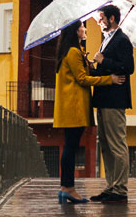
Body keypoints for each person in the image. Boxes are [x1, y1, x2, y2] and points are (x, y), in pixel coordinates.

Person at [52, 19, 125, 204]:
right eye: (82, 27)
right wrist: (110, 79)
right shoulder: (74, 52)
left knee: (69, 146)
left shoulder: (70, 51)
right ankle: (68, 188)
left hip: (69, 107)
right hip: (74, 107)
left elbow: (81, 74)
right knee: (70, 146)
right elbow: (83, 79)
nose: (85, 29)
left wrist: (89, 63)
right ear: (76, 31)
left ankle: (65, 187)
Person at [89, 4, 134, 203]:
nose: (99, 22)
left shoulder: (122, 40)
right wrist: (93, 67)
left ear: (112, 18)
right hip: (103, 99)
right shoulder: (106, 41)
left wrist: (103, 60)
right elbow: (105, 69)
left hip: (115, 100)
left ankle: (120, 188)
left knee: (117, 144)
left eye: (102, 18)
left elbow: (128, 67)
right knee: (106, 145)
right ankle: (110, 186)